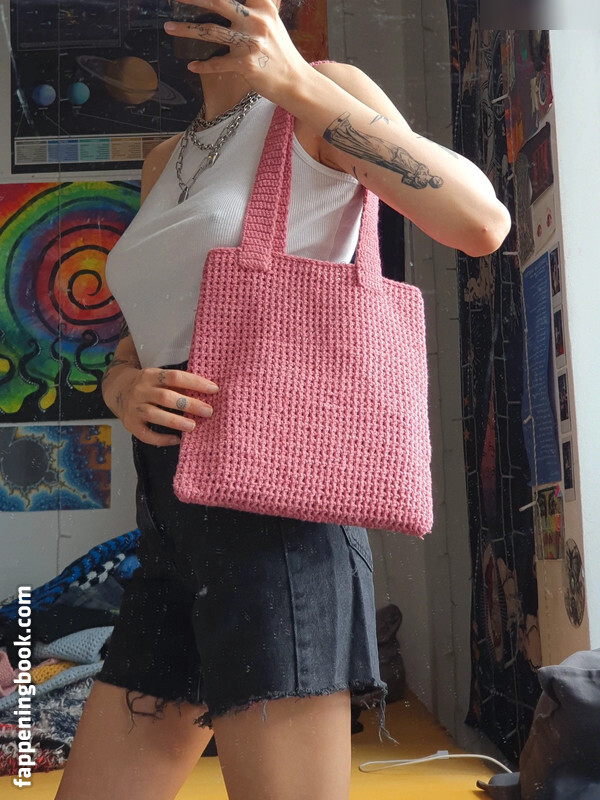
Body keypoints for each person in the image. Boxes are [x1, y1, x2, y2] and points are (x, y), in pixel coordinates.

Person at [54, 1, 511, 799]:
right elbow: (145, 335)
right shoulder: (165, 160)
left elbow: (480, 221)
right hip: (169, 525)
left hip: (276, 521)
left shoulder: (321, 93)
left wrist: (296, 81)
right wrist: (120, 386)